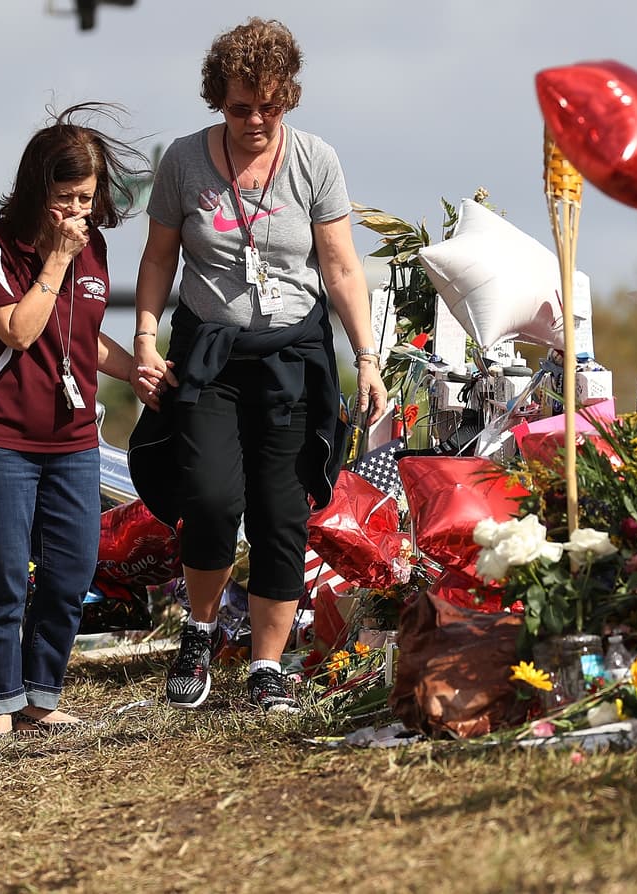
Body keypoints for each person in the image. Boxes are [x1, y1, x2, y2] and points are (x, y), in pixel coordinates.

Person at [129, 18, 388, 713]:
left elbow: (340, 266)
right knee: (211, 498)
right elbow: (158, 259)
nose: (255, 120)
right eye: (241, 107)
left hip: (291, 359)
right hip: (208, 357)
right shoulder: (184, 162)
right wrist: (147, 341)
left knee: (282, 513)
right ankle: (200, 629)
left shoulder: (314, 161)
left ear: (289, 98)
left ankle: (268, 667)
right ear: (219, 99)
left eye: (269, 106)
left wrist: (366, 358)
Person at [0, 104, 149, 741]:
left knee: (71, 570)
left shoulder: (96, 248)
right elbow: (18, 329)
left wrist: (139, 369)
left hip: (73, 439)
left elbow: (81, 337)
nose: (77, 213)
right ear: (40, 188)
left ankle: (43, 695)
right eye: (66, 197)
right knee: (5, 575)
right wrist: (57, 259)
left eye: (87, 199)